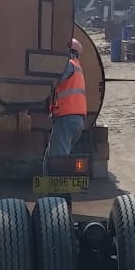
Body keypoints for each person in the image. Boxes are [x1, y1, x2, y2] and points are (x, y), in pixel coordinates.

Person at [43, 38, 88, 176]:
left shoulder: (68, 65)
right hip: (77, 119)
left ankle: (58, 188)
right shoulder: (77, 67)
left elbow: (53, 80)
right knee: (52, 156)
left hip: (67, 117)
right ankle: (50, 183)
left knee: (59, 159)